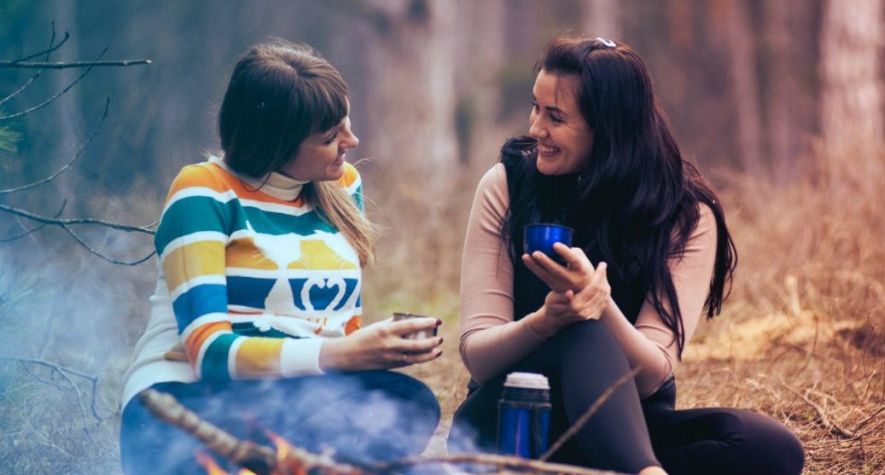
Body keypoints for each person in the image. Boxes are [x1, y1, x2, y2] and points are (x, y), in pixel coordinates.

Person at [450, 36, 804, 475]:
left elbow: (653, 373)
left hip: (624, 429)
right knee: (578, 329)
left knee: (771, 447)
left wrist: (602, 306)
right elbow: (479, 357)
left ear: (609, 129)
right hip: (510, 425)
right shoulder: (506, 186)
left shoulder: (686, 215)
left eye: (555, 117)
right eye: (536, 107)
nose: (536, 128)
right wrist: (548, 322)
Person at [120, 40, 442, 474]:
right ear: (275, 144)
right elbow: (212, 356)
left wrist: (367, 351)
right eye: (330, 137)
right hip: (187, 403)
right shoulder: (203, 192)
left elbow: (341, 323)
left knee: (408, 401)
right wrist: (342, 355)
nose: (352, 141)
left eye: (345, 123)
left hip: (297, 403)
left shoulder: (343, 186)